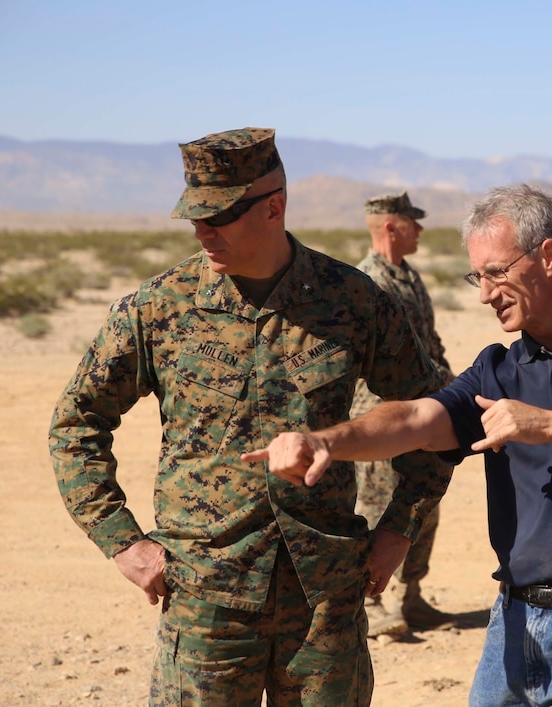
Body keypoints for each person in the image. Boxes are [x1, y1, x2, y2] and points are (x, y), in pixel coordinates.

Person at [244, 184, 552, 707]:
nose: (485, 293)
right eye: (477, 277)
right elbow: (418, 417)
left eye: (496, 273)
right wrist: (326, 441)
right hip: (512, 620)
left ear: (550, 256)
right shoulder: (499, 367)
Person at [49, 127, 451, 707]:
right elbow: (75, 423)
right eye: (195, 217)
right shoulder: (161, 307)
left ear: (273, 207)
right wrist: (122, 541)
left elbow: (433, 416)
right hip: (207, 597)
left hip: (325, 602)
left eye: (219, 216)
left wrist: (398, 530)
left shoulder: (352, 301)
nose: (201, 231)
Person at [353, 192, 457, 638]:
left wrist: (451, 386)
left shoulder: (409, 277)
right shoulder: (365, 280)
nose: (420, 229)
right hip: (382, 411)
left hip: (423, 409)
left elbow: (429, 342)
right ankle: (373, 604)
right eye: (413, 222)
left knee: (422, 503)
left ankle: (411, 594)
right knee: (377, 506)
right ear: (391, 226)